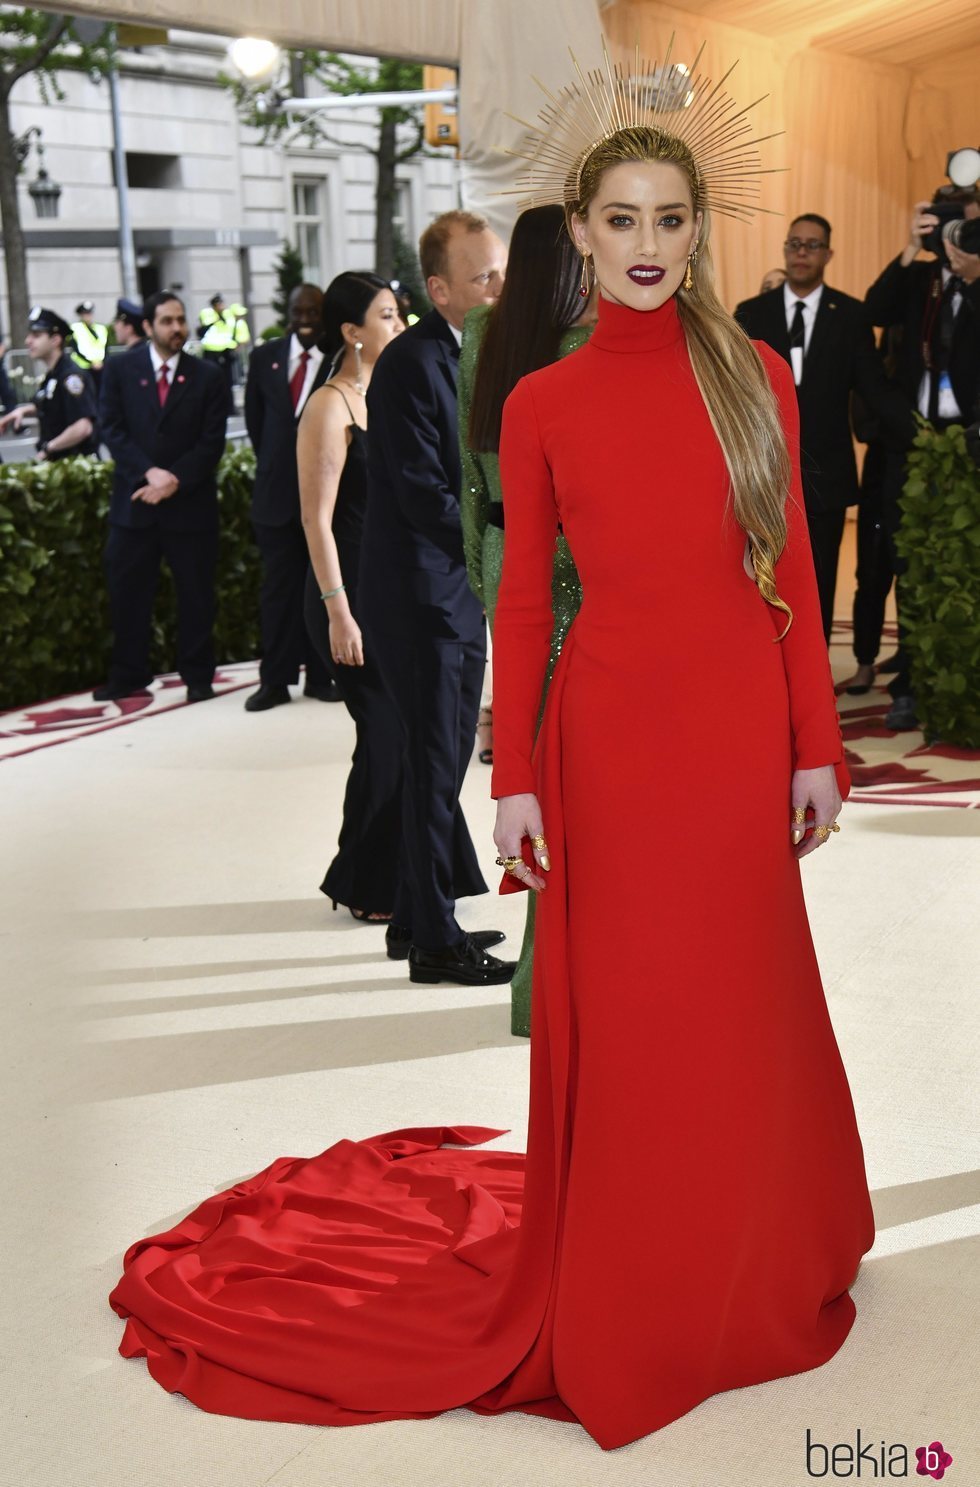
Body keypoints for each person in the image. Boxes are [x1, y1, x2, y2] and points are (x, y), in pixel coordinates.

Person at [109, 67, 873, 1454]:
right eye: (622, 218)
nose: (648, 245)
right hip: (607, 743)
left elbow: (789, 562)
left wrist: (816, 738)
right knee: (636, 1008)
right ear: (577, 230)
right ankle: (640, 1264)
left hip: (734, 734)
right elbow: (524, 604)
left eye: (673, 220)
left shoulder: (757, 372)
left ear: (702, 232)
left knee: (742, 990)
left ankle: (760, 1236)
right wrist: (512, 774)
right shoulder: (539, 405)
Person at [358, 209, 516, 983]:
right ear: (440, 288)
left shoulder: (469, 352)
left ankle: (419, 914)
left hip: (447, 588)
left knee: (440, 761)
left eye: (503, 269)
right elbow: (427, 495)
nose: (502, 285)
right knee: (434, 761)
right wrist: (508, 527)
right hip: (422, 595)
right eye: (486, 275)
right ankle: (431, 942)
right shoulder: (412, 364)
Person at [459, 202, 593, 1036]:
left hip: (513, 558)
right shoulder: (588, 347)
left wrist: (487, 566)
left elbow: (470, 475)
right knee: (578, 787)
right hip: (580, 570)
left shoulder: (483, 333)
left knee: (535, 777)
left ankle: (535, 992)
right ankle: (558, 989)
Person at [735, 214, 912, 643]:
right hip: (763, 478)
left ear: (828, 254)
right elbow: (734, 395)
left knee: (820, 582)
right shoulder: (751, 313)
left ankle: (816, 673)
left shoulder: (850, 316)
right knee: (759, 580)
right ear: (784, 249)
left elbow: (874, 388)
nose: (801, 252)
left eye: (812, 245)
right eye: (794, 243)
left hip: (826, 477)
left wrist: (922, 430)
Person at [297, 272, 405, 919]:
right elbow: (315, 519)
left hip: (388, 593)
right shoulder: (328, 406)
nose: (399, 325)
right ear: (351, 333)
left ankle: (373, 871)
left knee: (390, 738)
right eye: (387, 316)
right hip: (346, 600)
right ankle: (368, 880)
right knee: (385, 733)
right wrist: (339, 610)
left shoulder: (381, 394)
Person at [864, 188, 980, 729]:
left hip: (971, 441)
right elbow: (875, 308)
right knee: (910, 563)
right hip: (918, 442)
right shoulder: (921, 279)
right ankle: (910, 680)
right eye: (955, 226)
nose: (960, 239)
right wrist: (912, 247)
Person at [95, 291, 229, 703]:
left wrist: (174, 478)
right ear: (149, 326)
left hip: (189, 506)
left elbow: (212, 442)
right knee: (128, 593)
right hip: (135, 505)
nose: (177, 328)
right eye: (167, 321)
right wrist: (148, 472)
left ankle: (197, 676)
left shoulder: (207, 376)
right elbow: (111, 428)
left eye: (181, 320)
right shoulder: (119, 370)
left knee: (195, 595)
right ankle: (129, 673)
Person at [242, 282, 337, 711]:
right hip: (277, 501)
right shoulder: (264, 358)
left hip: (328, 503)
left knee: (323, 591)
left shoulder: (338, 358)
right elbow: (256, 424)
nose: (304, 321)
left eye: (313, 313)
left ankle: (321, 677)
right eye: (298, 312)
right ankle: (274, 681)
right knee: (278, 595)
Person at [0, 306, 99, 460]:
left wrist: (48, 449)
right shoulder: (53, 374)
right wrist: (21, 411)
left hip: (75, 468)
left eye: (36, 335)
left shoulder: (70, 377)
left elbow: (82, 427)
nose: (28, 341)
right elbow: (48, 402)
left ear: (55, 340)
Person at [199, 293, 250, 394]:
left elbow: (232, 326)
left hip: (226, 349)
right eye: (218, 304)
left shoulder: (227, 314)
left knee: (227, 379)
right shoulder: (208, 314)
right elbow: (205, 326)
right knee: (211, 376)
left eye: (221, 304)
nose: (221, 306)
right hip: (211, 350)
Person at [70, 300, 109, 384]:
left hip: (100, 367)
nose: (88, 316)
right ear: (81, 315)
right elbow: (75, 349)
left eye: (89, 313)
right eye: (85, 313)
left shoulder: (101, 328)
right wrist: (91, 363)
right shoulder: (75, 328)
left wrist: (102, 362)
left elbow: (105, 348)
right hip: (82, 368)